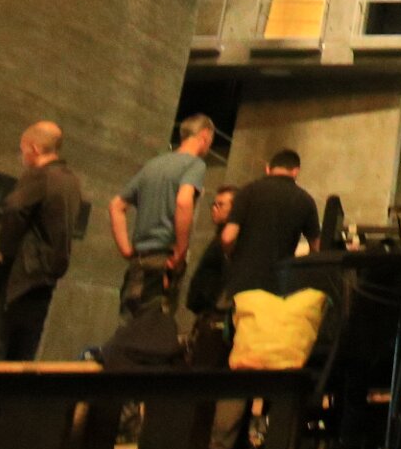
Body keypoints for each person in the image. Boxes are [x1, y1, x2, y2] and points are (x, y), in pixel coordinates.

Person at [0, 121, 84, 361]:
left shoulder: (40, 175)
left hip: (16, 277)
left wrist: (5, 253)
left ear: (34, 148)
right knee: (21, 356)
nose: (22, 156)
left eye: (22, 149)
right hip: (44, 281)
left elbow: (14, 207)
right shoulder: (71, 181)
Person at [110, 113, 213, 318]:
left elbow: (116, 206)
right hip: (165, 259)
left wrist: (126, 249)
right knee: (156, 324)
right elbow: (183, 201)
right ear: (204, 136)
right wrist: (180, 251)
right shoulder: (195, 165)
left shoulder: (153, 165)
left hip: (139, 259)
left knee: (130, 322)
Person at [221, 150, 320, 304]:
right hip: (277, 286)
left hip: (243, 283)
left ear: (268, 168)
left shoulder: (247, 191)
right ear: (296, 171)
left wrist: (233, 257)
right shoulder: (305, 200)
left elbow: (228, 237)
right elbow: (317, 248)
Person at [182, 185, 236, 366]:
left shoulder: (229, 241)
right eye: (214, 204)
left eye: (221, 204)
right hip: (206, 314)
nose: (214, 208)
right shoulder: (219, 237)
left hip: (215, 317)